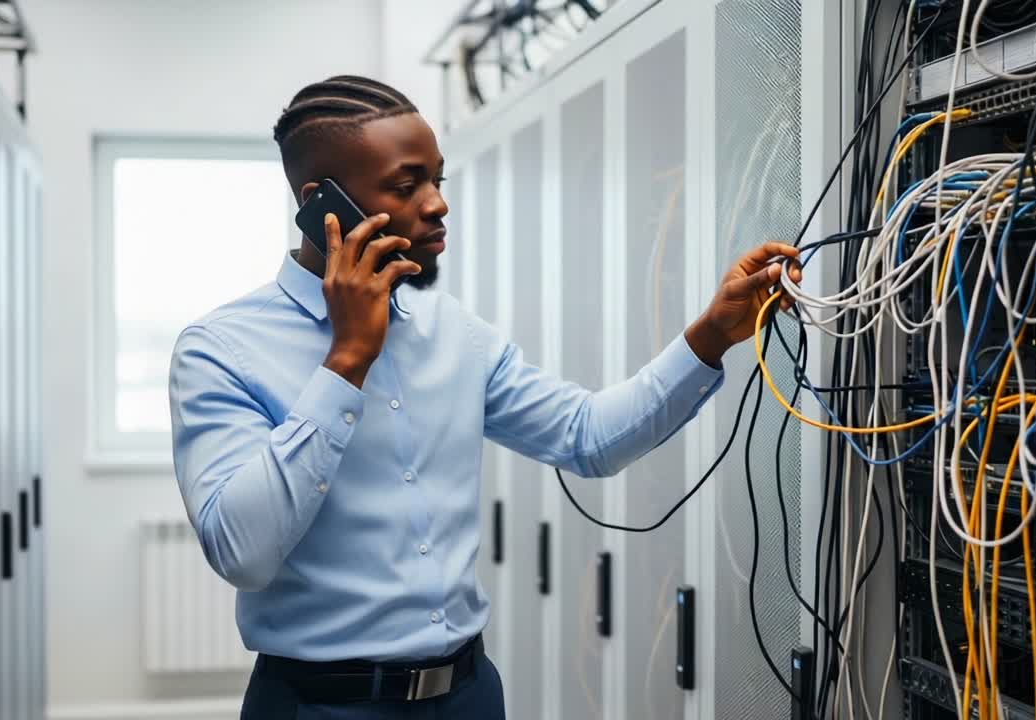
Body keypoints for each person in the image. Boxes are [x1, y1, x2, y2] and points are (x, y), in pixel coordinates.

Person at [168, 75, 802, 719]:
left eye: (437, 179)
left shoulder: (454, 334)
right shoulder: (221, 349)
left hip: (468, 696)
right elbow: (243, 553)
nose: (437, 204)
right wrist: (347, 359)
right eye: (406, 185)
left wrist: (712, 334)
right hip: (320, 707)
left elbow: (588, 437)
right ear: (322, 203)